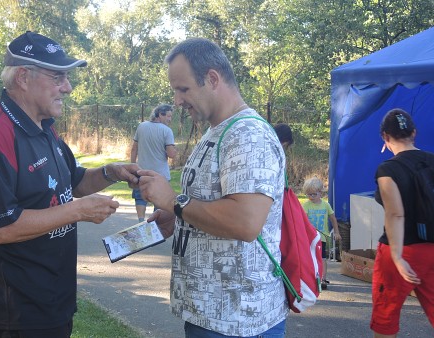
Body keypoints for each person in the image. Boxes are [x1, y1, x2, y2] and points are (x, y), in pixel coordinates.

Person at [0, 31, 139, 338]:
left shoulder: (44, 128)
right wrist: (78, 211)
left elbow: (74, 183)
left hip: (51, 299)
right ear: (23, 78)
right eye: (58, 77)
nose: (67, 88)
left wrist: (111, 172)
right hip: (17, 309)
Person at [138, 38, 288, 337]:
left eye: (183, 89)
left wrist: (175, 203)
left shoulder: (247, 135)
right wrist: (181, 218)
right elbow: (213, 203)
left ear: (212, 78)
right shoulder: (218, 131)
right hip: (213, 315)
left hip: (239, 321)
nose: (177, 101)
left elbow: (245, 222)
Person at [371, 108, 434, 337]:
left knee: (385, 315)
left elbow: (395, 214)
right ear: (414, 133)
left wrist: (397, 257)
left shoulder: (388, 169)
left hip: (401, 249)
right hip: (432, 248)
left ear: (385, 137)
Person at [130, 104, 177, 222]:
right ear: (160, 114)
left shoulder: (141, 126)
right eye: (168, 116)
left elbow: (134, 149)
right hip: (160, 174)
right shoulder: (167, 131)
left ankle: (140, 222)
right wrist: (175, 150)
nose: (170, 119)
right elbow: (171, 154)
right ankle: (154, 225)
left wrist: (132, 166)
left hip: (141, 171)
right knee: (159, 200)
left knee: (140, 198)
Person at [301, 176, 341, 290]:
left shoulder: (325, 205)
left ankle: (323, 278)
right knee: (309, 258)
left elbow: (333, 218)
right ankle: (310, 278)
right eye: (309, 194)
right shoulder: (306, 205)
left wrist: (336, 232)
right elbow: (302, 221)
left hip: (322, 237)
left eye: (314, 194)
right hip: (310, 237)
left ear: (320, 193)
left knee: (322, 258)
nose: (311, 197)